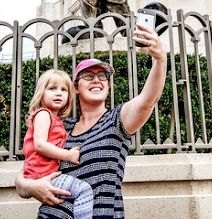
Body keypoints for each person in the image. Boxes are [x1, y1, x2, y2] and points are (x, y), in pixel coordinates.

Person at [15, 22, 167, 218]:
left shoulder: (116, 121)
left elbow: (148, 101)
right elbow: (23, 178)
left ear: (108, 86)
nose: (96, 80)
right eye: (88, 75)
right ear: (76, 87)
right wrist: (33, 187)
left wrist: (160, 59)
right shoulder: (60, 126)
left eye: (102, 76)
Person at [23, 69, 93, 219]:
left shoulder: (57, 120)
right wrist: (68, 155)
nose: (58, 93)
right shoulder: (43, 114)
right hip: (42, 175)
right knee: (84, 190)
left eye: (63, 90)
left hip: (44, 173)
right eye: (52, 88)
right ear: (41, 93)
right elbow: (40, 145)